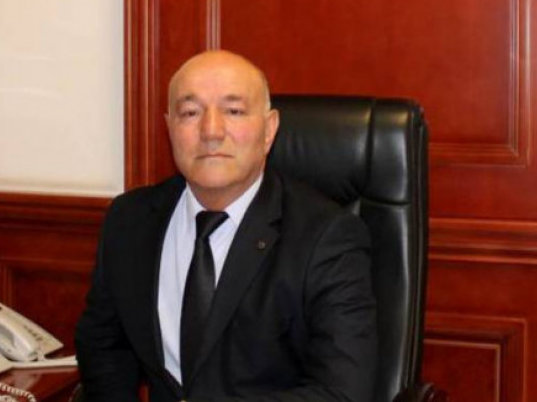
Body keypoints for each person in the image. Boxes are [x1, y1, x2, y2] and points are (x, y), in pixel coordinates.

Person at [75, 50, 377, 402]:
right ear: (170, 128)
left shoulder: (327, 237)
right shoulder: (130, 220)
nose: (211, 131)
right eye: (190, 113)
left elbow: (342, 393)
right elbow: (104, 347)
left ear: (269, 130)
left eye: (233, 111)